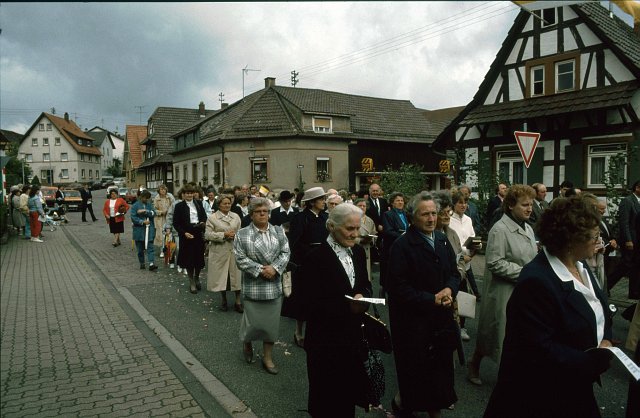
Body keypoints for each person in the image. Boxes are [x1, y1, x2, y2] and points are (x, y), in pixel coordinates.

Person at [484, 194, 614, 418]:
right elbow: (538, 349)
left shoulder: (580, 266)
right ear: (571, 240)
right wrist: (593, 360)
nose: (598, 241)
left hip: (575, 385)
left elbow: (599, 308)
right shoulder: (536, 281)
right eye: (594, 236)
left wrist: (607, 340)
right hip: (541, 395)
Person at [387, 191, 461, 418]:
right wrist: (431, 299)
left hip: (440, 320)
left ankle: (405, 405)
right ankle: (405, 405)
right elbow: (397, 288)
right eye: (425, 214)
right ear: (412, 217)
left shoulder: (441, 239)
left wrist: (449, 290)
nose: (431, 219)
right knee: (417, 369)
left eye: (434, 213)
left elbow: (454, 273)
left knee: (438, 371)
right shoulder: (401, 246)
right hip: (414, 322)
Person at [298, 203, 372, 416]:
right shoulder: (315, 257)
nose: (355, 234)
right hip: (325, 341)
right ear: (331, 226)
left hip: (352, 337)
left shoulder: (357, 252)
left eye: (357, 228)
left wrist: (362, 296)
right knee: (326, 398)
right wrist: (345, 306)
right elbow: (306, 303)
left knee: (348, 397)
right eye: (349, 228)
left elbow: (365, 284)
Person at [467, 184, 538, 385]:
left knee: (519, 334)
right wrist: (526, 273)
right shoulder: (499, 229)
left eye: (531, 204)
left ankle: (513, 376)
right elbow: (494, 263)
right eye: (525, 205)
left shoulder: (528, 227)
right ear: (511, 205)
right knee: (494, 333)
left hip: (524, 290)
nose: (529, 209)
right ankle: (475, 363)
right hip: (503, 290)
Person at [234, 197, 290, 375]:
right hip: (254, 285)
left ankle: (267, 357)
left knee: (270, 325)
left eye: (265, 211)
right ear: (251, 215)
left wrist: (275, 268)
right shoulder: (242, 234)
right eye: (258, 212)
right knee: (252, 323)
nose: (262, 214)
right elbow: (240, 259)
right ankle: (247, 342)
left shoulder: (278, 231)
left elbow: (286, 252)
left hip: (273, 285)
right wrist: (260, 270)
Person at [284, 186, 329, 348]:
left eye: (324, 199)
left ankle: (318, 331)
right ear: (312, 202)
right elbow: (295, 242)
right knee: (303, 298)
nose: (324, 202)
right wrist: (312, 252)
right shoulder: (300, 218)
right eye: (321, 199)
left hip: (323, 261)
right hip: (305, 263)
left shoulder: (326, 217)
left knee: (321, 298)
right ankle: (298, 332)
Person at [205, 194, 242, 312]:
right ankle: (224, 300)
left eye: (229, 203)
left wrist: (236, 236)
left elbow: (241, 232)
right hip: (220, 250)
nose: (227, 205)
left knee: (236, 277)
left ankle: (238, 301)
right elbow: (208, 235)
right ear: (219, 205)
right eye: (224, 203)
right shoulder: (212, 218)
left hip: (234, 249)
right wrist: (224, 235)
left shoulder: (236, 216)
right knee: (222, 277)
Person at [172, 183, 207, 293]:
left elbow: (204, 216)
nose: (189, 195)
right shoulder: (179, 206)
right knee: (189, 259)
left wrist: (203, 223)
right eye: (187, 193)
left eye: (191, 193)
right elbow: (176, 223)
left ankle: (197, 277)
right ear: (183, 194)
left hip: (198, 232)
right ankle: (191, 281)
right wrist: (184, 233)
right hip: (186, 234)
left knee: (199, 258)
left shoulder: (199, 203)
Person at [608, 180, 640, 299]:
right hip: (630, 240)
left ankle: (634, 293)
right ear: (637, 188)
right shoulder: (627, 201)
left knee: (636, 266)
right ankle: (606, 286)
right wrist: (628, 240)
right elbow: (624, 222)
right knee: (625, 265)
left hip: (638, 240)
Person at [448, 190, 481, 302]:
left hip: (467, 263)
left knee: (464, 300)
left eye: (465, 202)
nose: (463, 205)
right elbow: (449, 245)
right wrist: (462, 257)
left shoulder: (468, 219)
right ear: (454, 204)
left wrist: (474, 249)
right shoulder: (449, 220)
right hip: (454, 265)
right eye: (460, 202)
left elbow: (472, 237)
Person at [381, 192, 409, 292]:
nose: (400, 202)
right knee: (391, 270)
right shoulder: (387, 214)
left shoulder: (405, 214)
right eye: (397, 201)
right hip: (392, 246)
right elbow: (388, 231)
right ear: (392, 203)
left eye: (402, 200)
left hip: (404, 247)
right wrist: (403, 235)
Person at [131, 190, 158, 271]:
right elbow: (133, 217)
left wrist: (146, 211)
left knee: (150, 246)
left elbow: (154, 213)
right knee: (140, 249)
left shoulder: (149, 205)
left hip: (149, 230)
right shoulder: (135, 206)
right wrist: (142, 222)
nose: (146, 200)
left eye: (148, 198)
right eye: (145, 198)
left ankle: (151, 263)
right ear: (141, 197)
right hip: (139, 231)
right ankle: (142, 262)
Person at [355, 198, 377, 281]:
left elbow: (374, 233)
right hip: (356, 248)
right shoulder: (351, 219)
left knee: (366, 272)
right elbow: (347, 235)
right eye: (359, 205)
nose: (362, 207)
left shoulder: (370, 220)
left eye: (364, 206)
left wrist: (371, 240)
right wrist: (360, 240)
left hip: (367, 249)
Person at [153, 184, 173, 258]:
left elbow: (174, 205)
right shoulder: (156, 198)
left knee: (169, 234)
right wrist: (161, 212)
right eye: (161, 189)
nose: (163, 191)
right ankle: (162, 250)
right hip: (160, 219)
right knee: (161, 235)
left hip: (169, 218)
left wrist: (169, 212)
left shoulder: (170, 197)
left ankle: (170, 250)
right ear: (159, 190)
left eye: (164, 189)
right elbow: (154, 209)